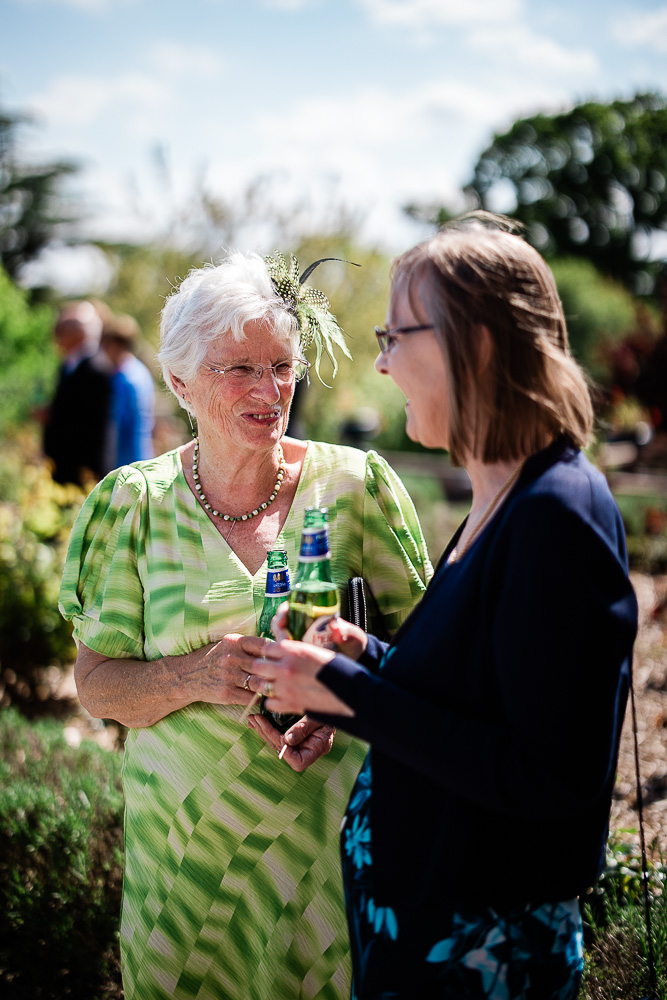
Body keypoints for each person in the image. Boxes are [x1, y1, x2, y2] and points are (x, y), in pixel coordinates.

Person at [249, 216, 639, 1000]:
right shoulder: (503, 499)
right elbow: (480, 698)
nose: (381, 363)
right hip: (427, 936)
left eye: (395, 336)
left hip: (481, 957)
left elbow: (545, 776)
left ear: (478, 345)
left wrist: (346, 694)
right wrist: (366, 659)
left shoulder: (556, 513)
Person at [59, 249, 432, 1000]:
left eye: (282, 366)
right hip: (183, 882)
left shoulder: (354, 488)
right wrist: (192, 676)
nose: (270, 390)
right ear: (179, 383)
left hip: (329, 870)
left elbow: (431, 663)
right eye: (239, 369)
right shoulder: (132, 506)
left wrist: (348, 699)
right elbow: (96, 687)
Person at [43, 300, 112, 485]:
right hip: (64, 466)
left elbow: (92, 425)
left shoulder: (97, 368)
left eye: (62, 329)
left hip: (81, 470)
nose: (56, 334)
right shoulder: (69, 364)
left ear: (79, 332)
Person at [100, 312, 155, 469]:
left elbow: (117, 423)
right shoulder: (140, 371)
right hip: (143, 451)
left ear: (117, 345)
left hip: (125, 457)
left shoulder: (122, 379)